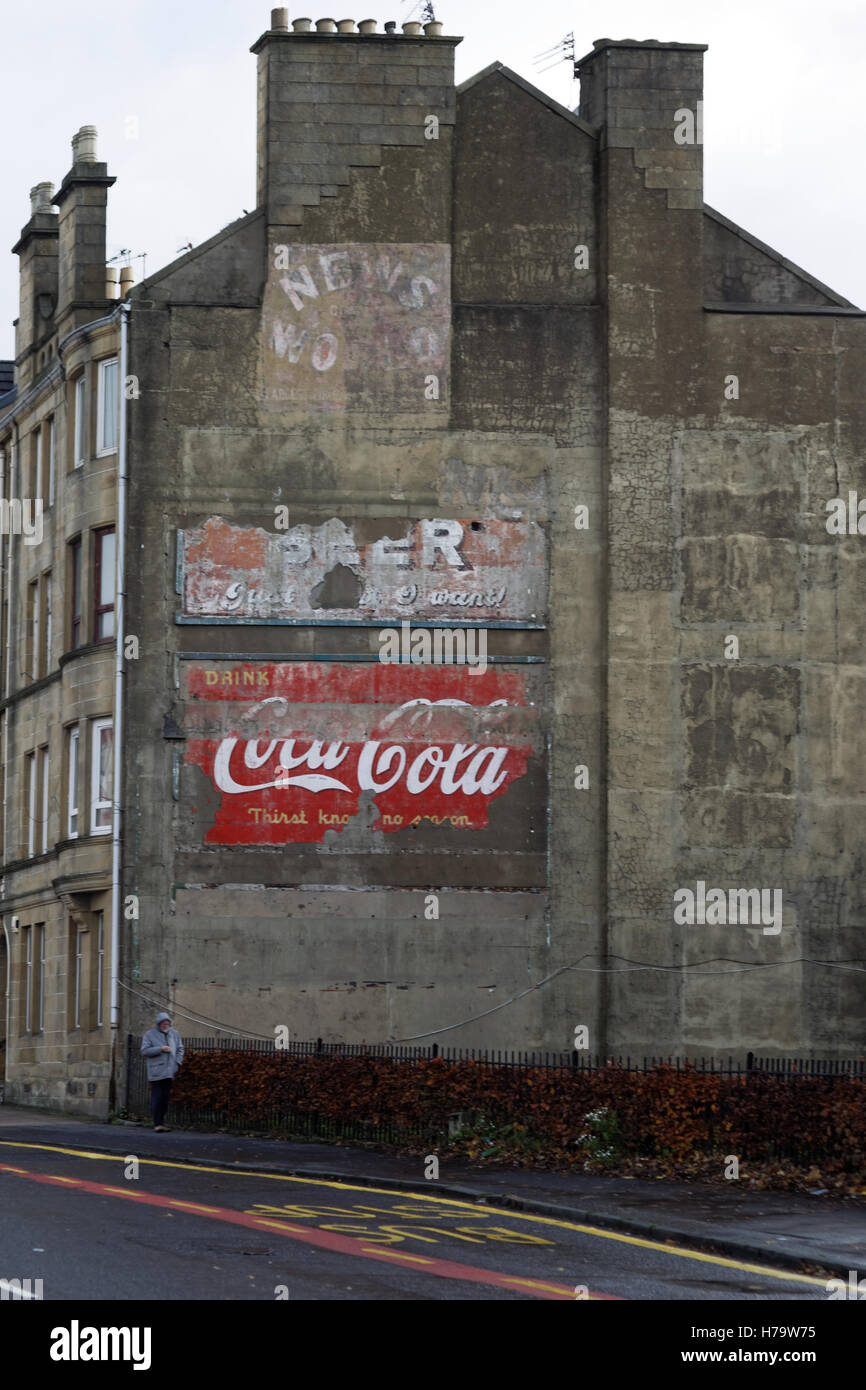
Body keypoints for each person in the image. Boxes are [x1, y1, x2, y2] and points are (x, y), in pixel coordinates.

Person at [140, 1011, 184, 1131]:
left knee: (165, 1098)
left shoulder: (174, 1034)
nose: (165, 1025)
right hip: (156, 1072)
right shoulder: (149, 1035)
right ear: (158, 1024)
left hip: (169, 1072)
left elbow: (180, 1049)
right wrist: (160, 1049)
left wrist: (177, 1063)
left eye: (167, 1023)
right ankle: (157, 1124)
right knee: (157, 1098)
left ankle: (162, 1123)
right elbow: (144, 1051)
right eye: (163, 1023)